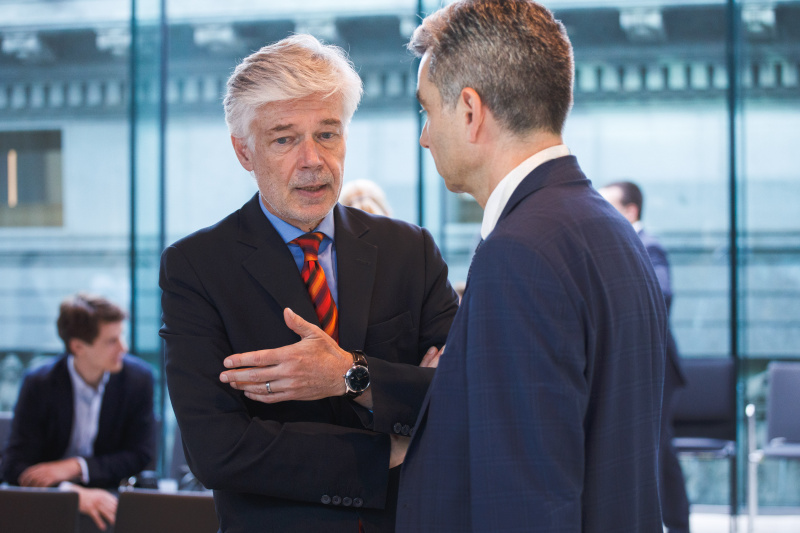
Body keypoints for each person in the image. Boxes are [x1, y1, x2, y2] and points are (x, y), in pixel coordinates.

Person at [159, 34, 458, 533]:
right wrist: (390, 447)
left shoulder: (411, 250)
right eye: (284, 138)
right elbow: (218, 452)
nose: (313, 160)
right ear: (244, 151)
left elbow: (465, 398)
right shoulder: (197, 268)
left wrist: (350, 374)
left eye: (327, 133)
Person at [398, 1, 667, 531]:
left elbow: (525, 499)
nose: (425, 136)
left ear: (471, 112)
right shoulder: (607, 229)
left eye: (428, 110)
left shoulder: (519, 254)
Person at [2, 293, 156, 532]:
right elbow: (15, 465)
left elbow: (140, 455)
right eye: (111, 341)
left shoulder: (139, 379)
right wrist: (70, 492)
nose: (123, 348)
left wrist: (76, 466)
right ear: (78, 346)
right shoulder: (39, 383)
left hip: (111, 495)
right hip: (49, 501)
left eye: (121, 336)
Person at [599, 180, 690, 533]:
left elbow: (660, 296)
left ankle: (677, 526)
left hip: (655, 368)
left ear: (631, 210)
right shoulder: (615, 246)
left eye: (609, 205)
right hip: (630, 366)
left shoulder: (647, 246)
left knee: (656, 451)